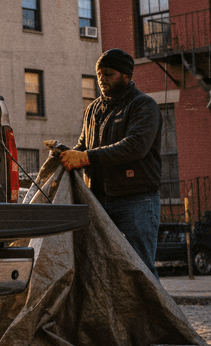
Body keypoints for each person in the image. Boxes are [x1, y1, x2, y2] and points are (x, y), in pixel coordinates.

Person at [59, 48, 162, 273]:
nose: (102, 79)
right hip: (97, 200)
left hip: (136, 200)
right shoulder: (92, 109)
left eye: (108, 74)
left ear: (126, 76)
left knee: (140, 269)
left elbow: (135, 146)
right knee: (99, 269)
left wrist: (85, 157)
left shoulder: (143, 105)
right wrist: (65, 155)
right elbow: (84, 146)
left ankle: (146, 299)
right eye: (99, 74)